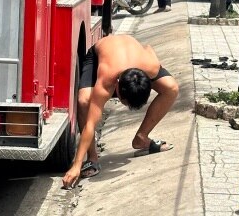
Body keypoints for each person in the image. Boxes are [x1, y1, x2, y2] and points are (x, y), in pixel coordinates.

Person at [62, 34, 179, 189]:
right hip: (100, 53)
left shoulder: (152, 66)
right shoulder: (106, 79)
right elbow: (91, 124)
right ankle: (92, 157)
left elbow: (148, 48)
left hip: (133, 55)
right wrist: (76, 164)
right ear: (115, 87)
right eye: (122, 101)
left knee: (171, 88)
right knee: (84, 101)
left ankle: (141, 138)